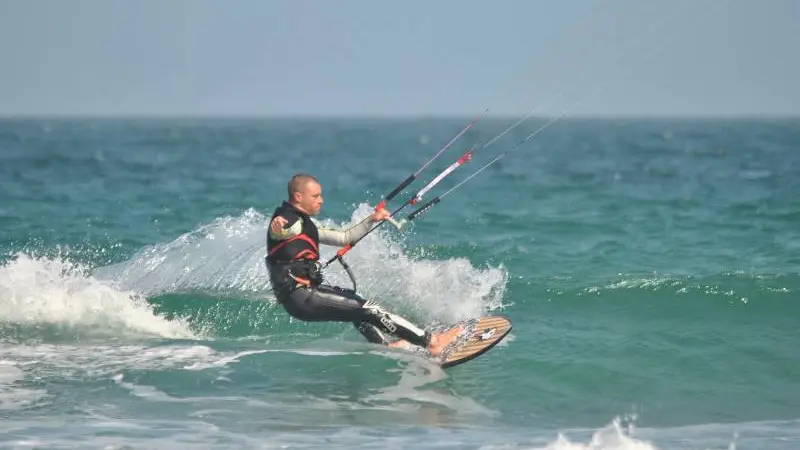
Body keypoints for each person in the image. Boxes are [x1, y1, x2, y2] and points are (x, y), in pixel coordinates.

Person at [265, 173, 461, 356]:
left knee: (355, 302)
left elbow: (344, 236)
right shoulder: (288, 220)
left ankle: (384, 345)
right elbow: (283, 231)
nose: (321, 200)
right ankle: (433, 343)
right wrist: (279, 228)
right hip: (302, 296)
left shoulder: (307, 224)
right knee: (371, 310)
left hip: (305, 294)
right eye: (315, 196)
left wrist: (371, 220)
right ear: (298, 197)